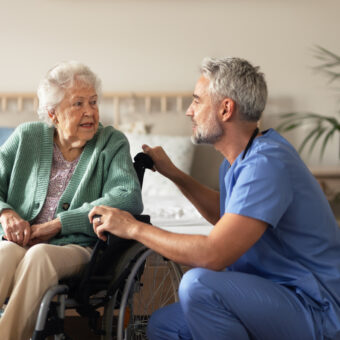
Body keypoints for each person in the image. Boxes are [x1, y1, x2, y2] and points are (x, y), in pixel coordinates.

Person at [90, 57, 340, 340]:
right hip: (278, 295)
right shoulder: (238, 161)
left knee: (199, 285)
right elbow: (227, 217)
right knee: (164, 325)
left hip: (317, 306)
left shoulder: (267, 164)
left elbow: (213, 254)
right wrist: (175, 174)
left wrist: (133, 227)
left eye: (197, 101)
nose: (189, 111)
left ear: (226, 108)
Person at [0, 61, 143, 340]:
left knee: (40, 256)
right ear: (53, 114)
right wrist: (5, 213)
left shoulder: (111, 143)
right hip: (23, 241)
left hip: (79, 248)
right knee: (3, 254)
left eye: (93, 101)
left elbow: (128, 197)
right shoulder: (27, 136)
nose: (90, 111)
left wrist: (58, 225)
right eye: (78, 104)